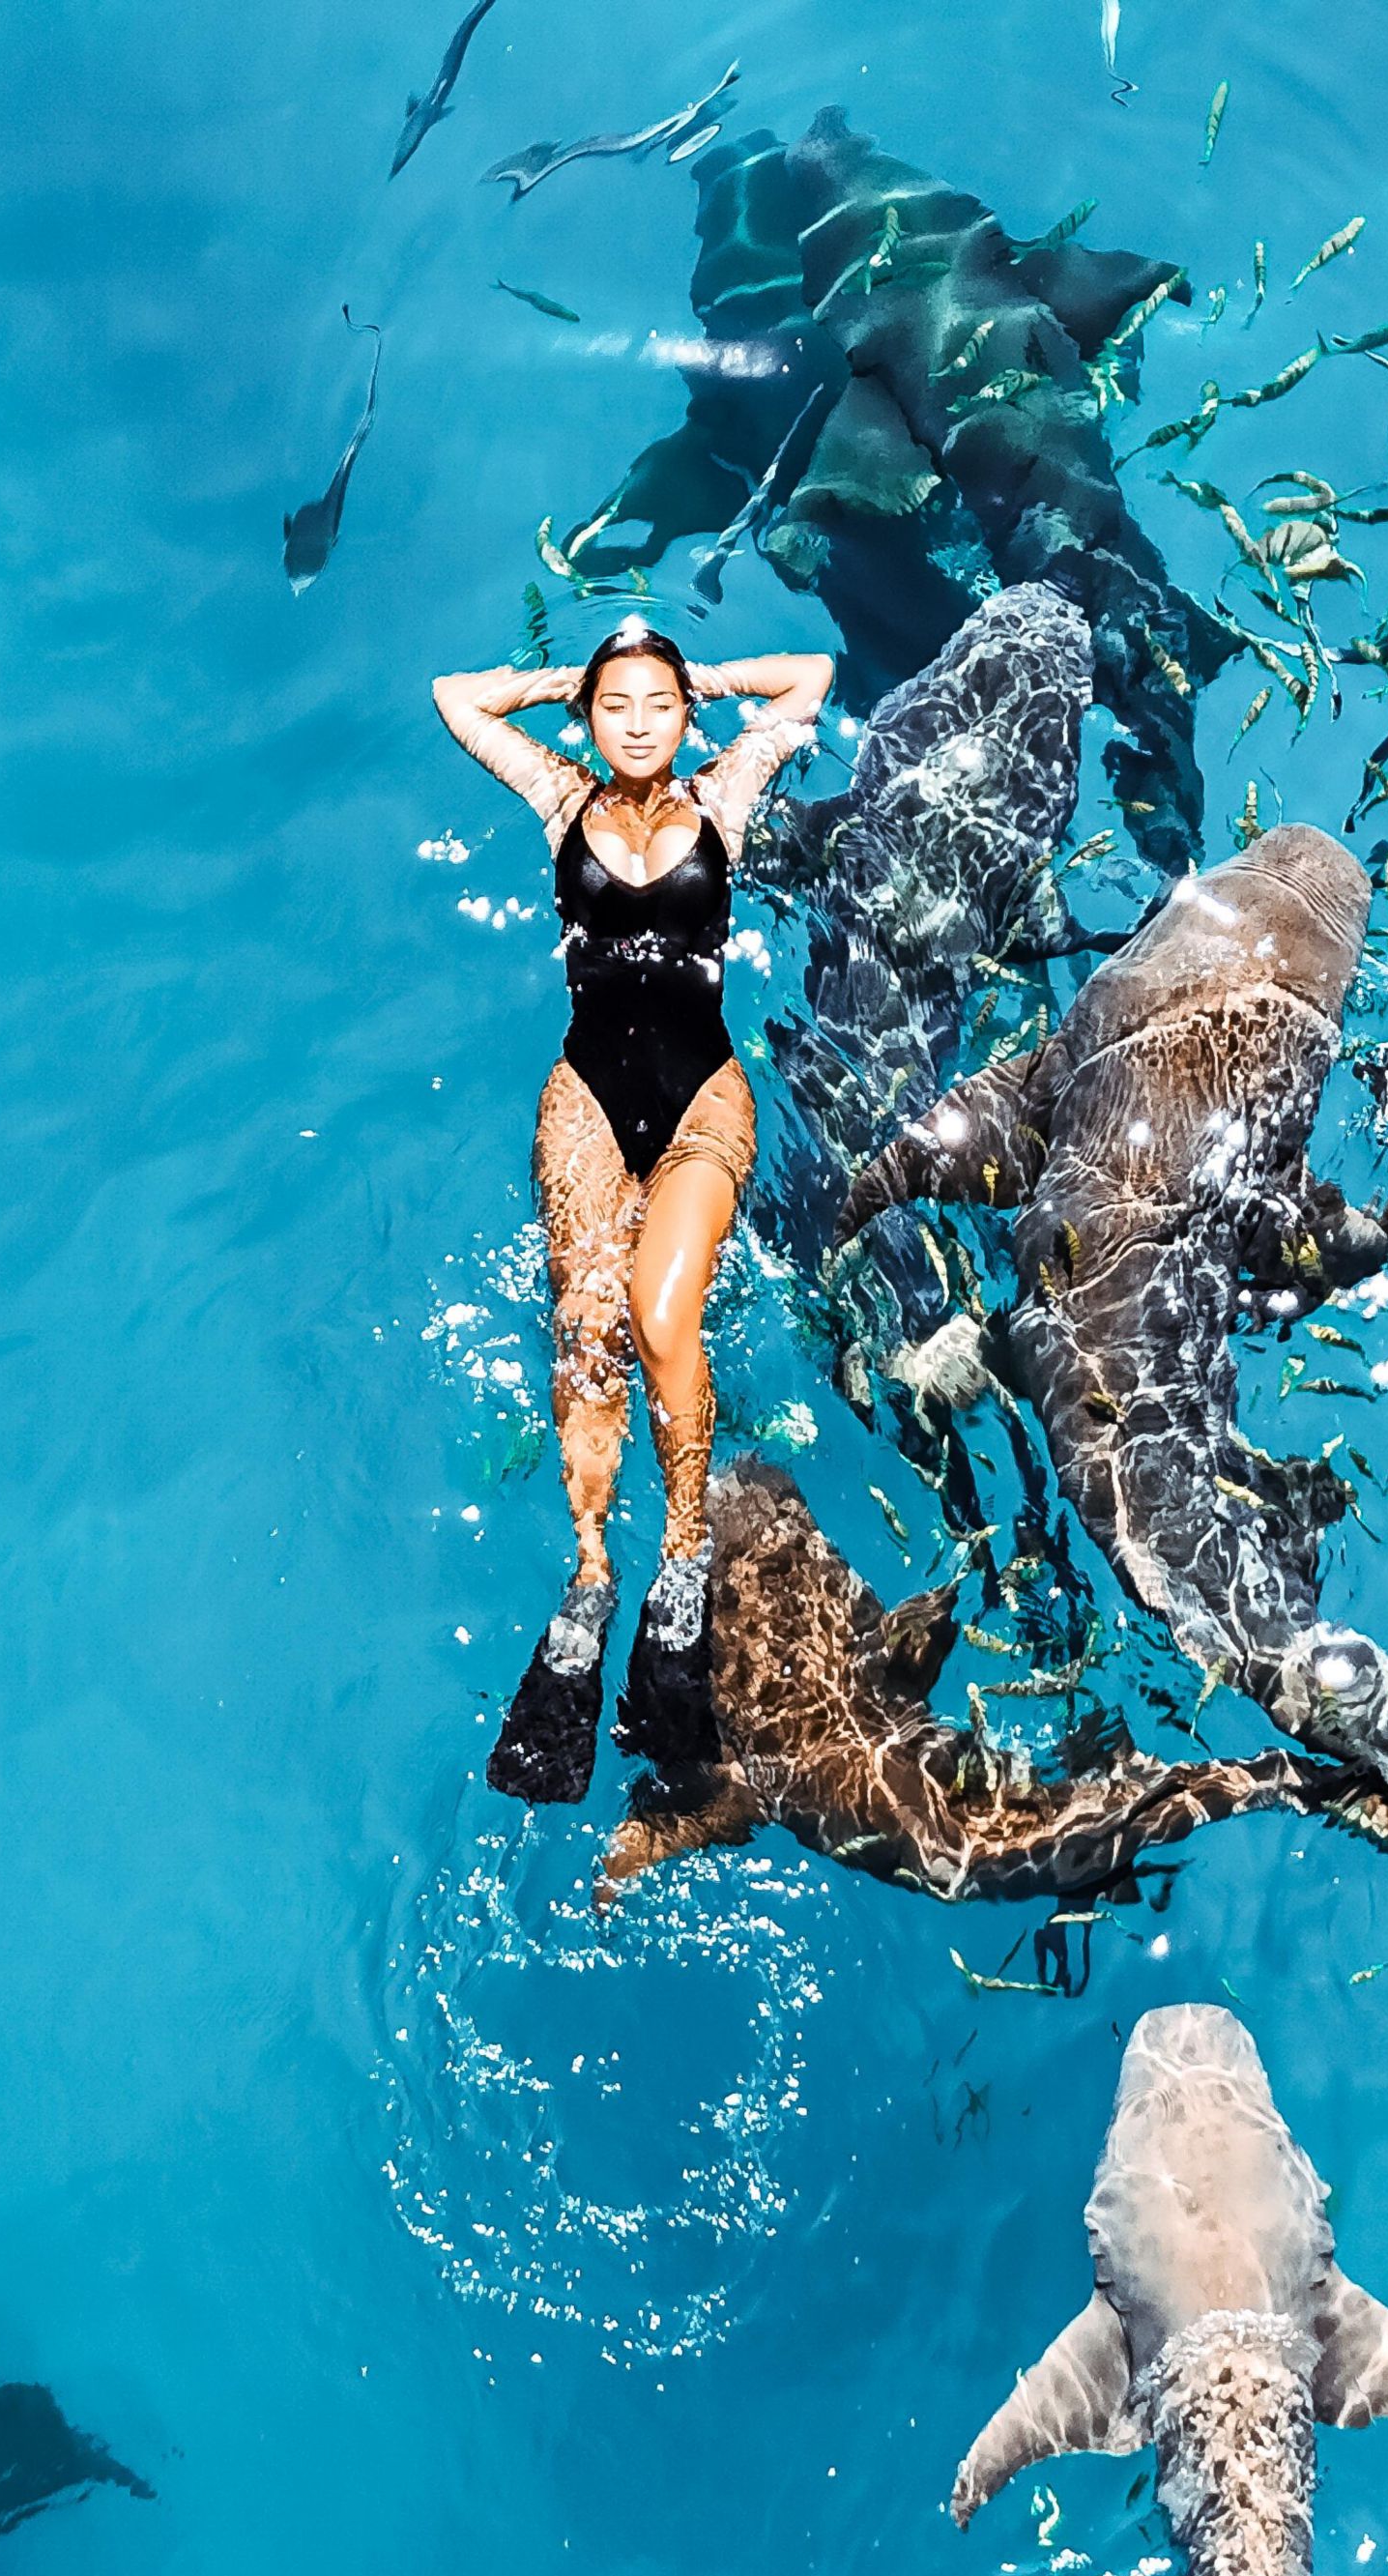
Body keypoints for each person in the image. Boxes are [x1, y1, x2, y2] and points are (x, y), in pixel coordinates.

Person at [431, 617, 832, 1801]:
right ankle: (594, 1574)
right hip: (587, 1105)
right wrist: (584, 676)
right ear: (589, 722)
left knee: (664, 1320)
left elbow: (808, 675)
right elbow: (456, 692)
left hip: (704, 1099)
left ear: (689, 715)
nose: (642, 720)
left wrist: (687, 673)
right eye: (619, 707)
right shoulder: (559, 802)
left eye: (660, 704)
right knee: (586, 1332)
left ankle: (685, 1558)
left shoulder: (727, 792)